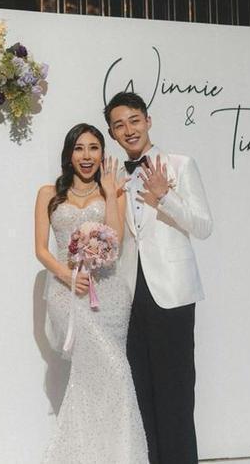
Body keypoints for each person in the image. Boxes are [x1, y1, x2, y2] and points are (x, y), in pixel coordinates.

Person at [104, 91, 213, 464]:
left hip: (172, 290)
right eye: (119, 125)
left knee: (176, 391)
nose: (129, 130)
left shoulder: (181, 164)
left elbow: (203, 226)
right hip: (131, 293)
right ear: (113, 133)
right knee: (141, 392)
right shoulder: (116, 176)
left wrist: (164, 197)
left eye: (134, 120)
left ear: (148, 121)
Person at [35, 122, 149, 464]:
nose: (86, 156)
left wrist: (112, 194)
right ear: (69, 154)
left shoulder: (113, 191)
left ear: (102, 154)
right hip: (66, 292)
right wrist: (66, 276)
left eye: (94, 148)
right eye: (79, 148)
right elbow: (41, 249)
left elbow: (116, 242)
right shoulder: (48, 193)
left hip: (109, 293)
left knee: (112, 373)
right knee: (102, 372)